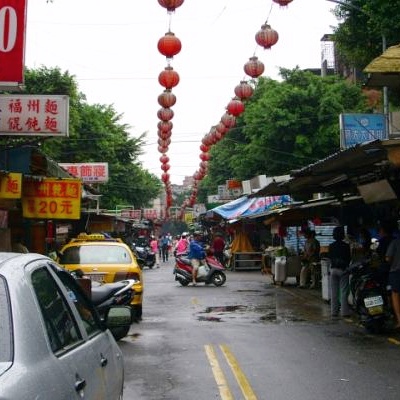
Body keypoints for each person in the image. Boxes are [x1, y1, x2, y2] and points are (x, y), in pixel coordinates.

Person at [328, 226, 352, 318]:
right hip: (343, 270)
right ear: (343, 235)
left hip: (333, 270)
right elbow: (349, 258)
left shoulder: (331, 246)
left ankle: (334, 312)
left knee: (334, 292)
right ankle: (344, 312)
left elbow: (330, 258)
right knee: (343, 291)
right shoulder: (346, 246)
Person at [385, 237, 400, 330]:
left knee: (395, 295)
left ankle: (399, 320)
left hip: (396, 272)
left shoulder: (395, 241)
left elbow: (388, 258)